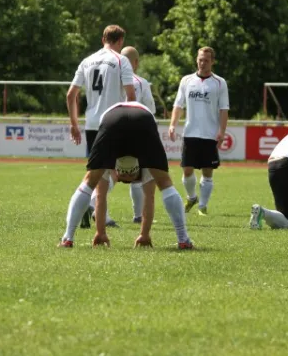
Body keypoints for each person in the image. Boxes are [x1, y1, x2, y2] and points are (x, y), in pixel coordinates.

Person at [58, 101, 194, 250]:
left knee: (89, 181)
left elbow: (100, 196)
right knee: (165, 183)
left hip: (112, 119)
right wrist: (144, 234)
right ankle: (183, 240)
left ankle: (67, 238)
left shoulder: (109, 166)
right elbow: (150, 197)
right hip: (143, 119)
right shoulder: (145, 166)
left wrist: (100, 232)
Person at [65, 24, 136, 229]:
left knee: (98, 170)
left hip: (92, 124)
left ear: (102, 38)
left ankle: (99, 214)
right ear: (120, 41)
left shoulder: (87, 61)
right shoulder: (121, 60)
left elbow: (71, 95)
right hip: (114, 122)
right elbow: (131, 95)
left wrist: (74, 124)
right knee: (120, 171)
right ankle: (90, 204)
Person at [168, 46, 229, 216]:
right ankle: (192, 197)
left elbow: (224, 109)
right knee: (187, 170)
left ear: (212, 62)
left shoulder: (219, 83)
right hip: (190, 133)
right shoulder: (186, 81)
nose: (203, 63)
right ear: (197, 60)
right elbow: (178, 105)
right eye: (200, 59)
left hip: (210, 134)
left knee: (207, 172)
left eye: (206, 60)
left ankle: (202, 205)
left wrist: (222, 131)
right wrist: (173, 124)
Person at [120, 46, 156, 223]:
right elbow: (150, 110)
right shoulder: (141, 82)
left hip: (109, 128)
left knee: (106, 172)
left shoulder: (110, 78)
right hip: (135, 131)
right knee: (137, 174)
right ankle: (138, 215)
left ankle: (94, 205)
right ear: (136, 63)